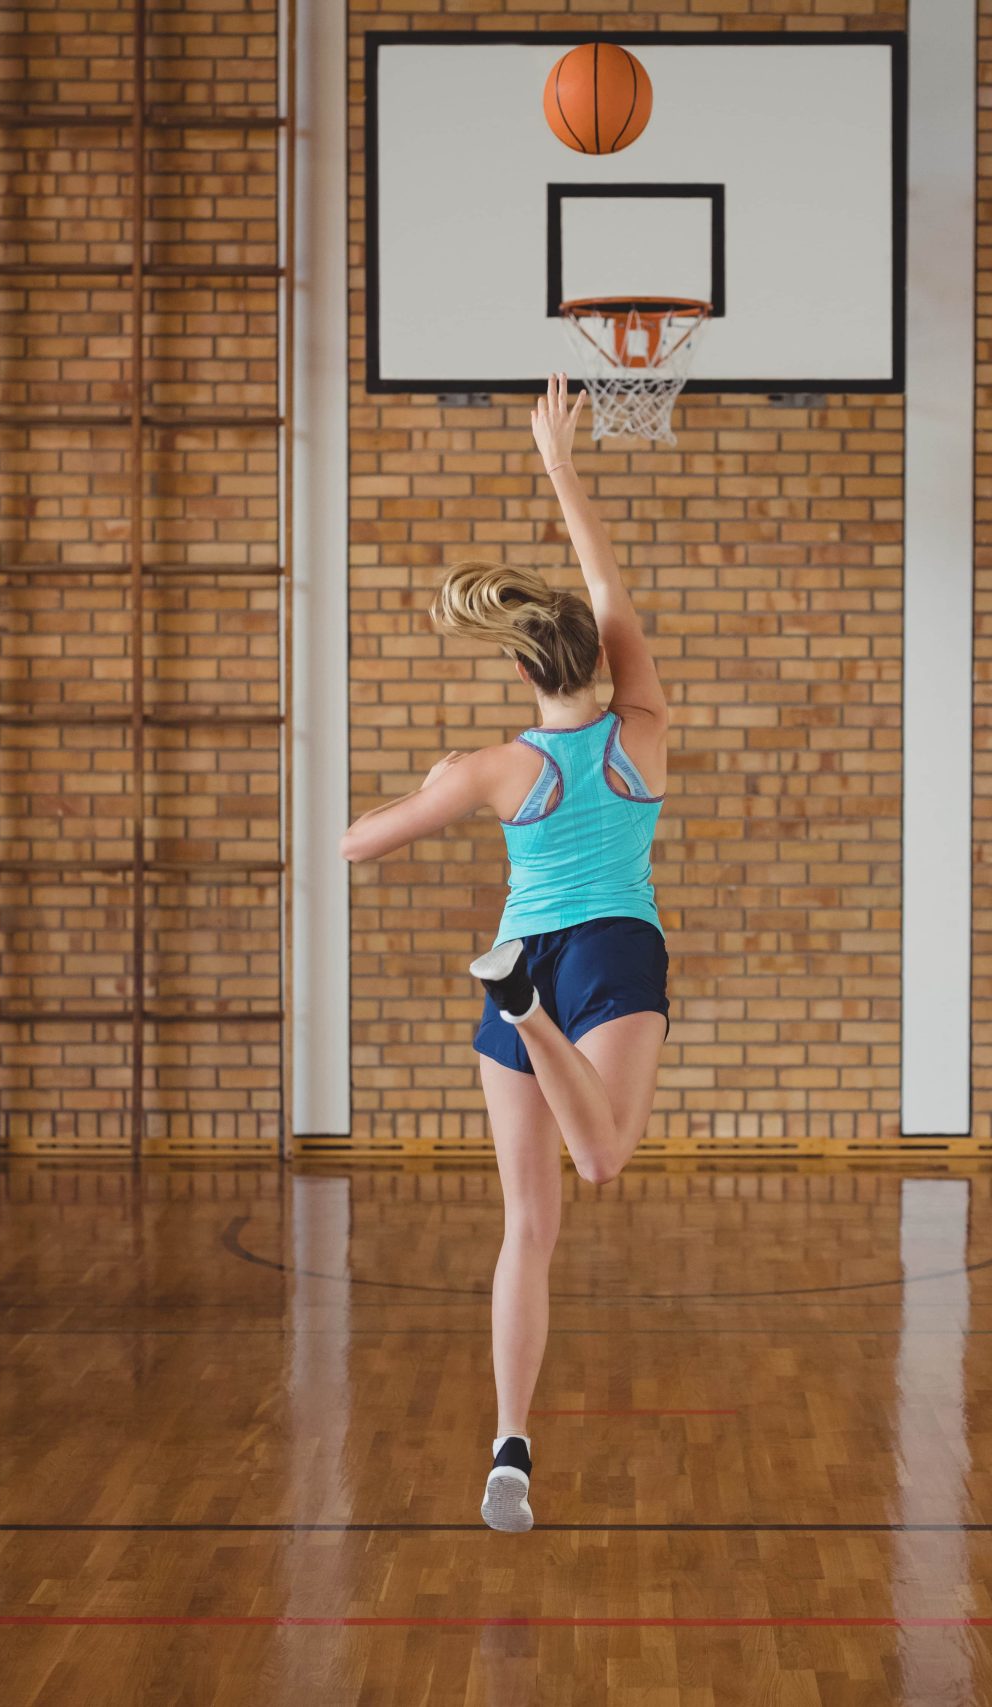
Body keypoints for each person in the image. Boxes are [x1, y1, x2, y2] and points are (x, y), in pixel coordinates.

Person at [341, 374, 671, 1534]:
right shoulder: (644, 732)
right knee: (604, 1161)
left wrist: (432, 782)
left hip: (521, 942)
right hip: (615, 952)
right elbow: (605, 587)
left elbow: (352, 846)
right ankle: (531, 1011)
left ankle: (510, 1439)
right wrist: (563, 470)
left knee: (528, 1225)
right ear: (600, 659)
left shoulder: (493, 769)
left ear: (519, 672)